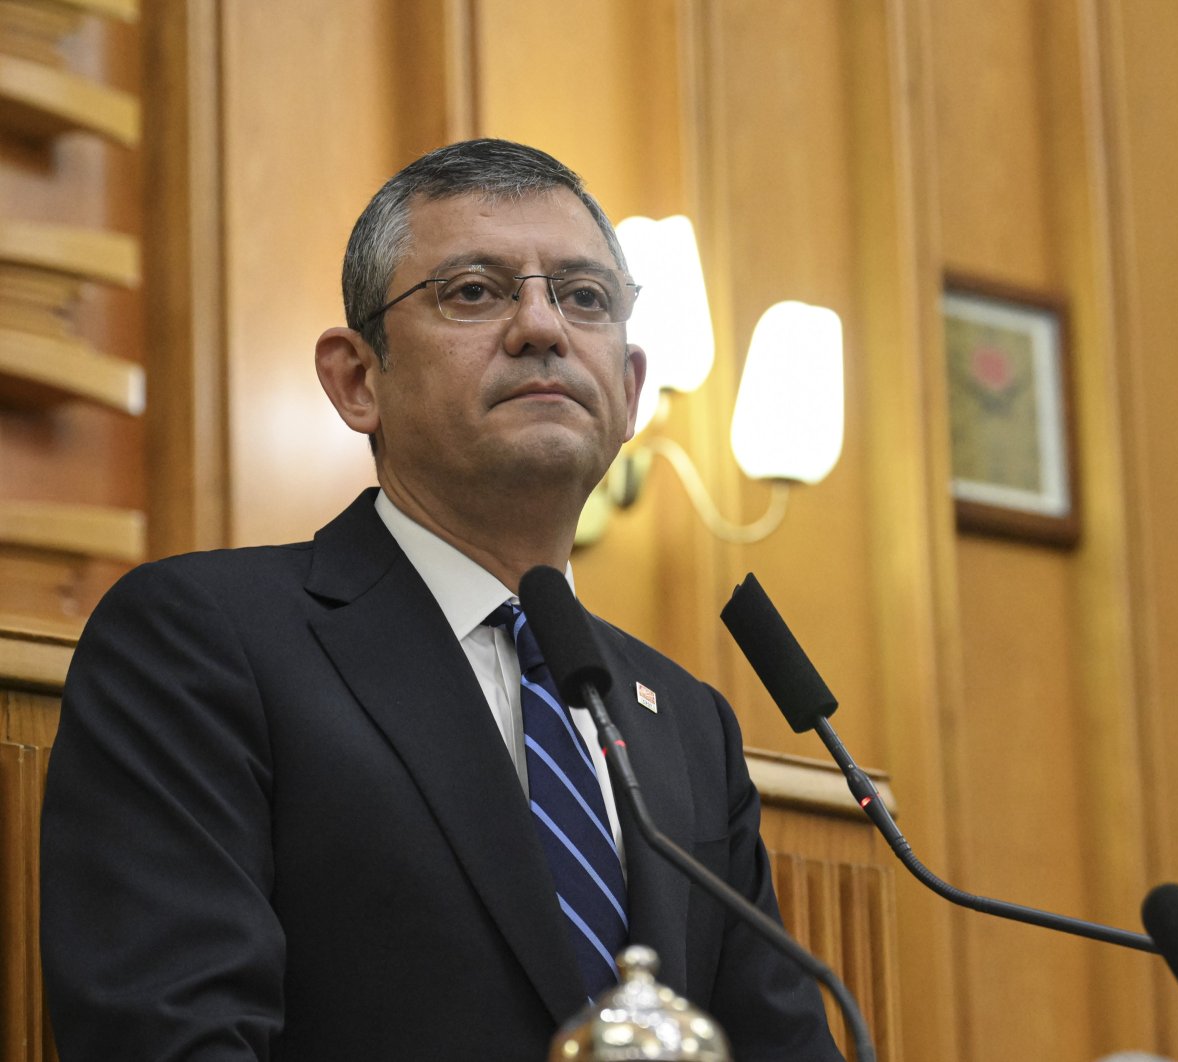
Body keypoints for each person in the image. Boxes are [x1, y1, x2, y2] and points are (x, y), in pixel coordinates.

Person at [40, 139, 844, 1061]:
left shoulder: (687, 726)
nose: (541, 327)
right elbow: (172, 1037)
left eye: (584, 298)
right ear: (357, 379)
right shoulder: (203, 639)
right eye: (474, 290)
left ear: (627, 392)